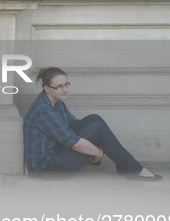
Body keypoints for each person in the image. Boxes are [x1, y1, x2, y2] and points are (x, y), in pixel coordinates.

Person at [23, 67, 162, 181]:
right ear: (47, 88)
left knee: (94, 119)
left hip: (56, 153)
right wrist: (97, 151)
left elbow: (74, 125)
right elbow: (73, 142)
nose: (65, 89)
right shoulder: (44, 111)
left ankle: (125, 166)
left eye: (66, 85)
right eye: (59, 87)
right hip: (47, 168)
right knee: (98, 128)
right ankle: (134, 169)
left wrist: (94, 141)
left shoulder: (57, 104)